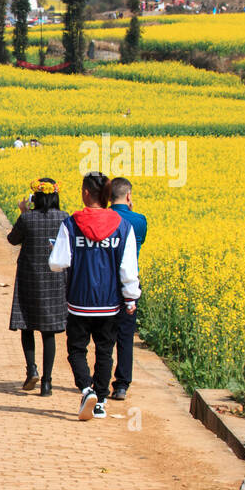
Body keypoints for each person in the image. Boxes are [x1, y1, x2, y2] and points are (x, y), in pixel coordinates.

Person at [48, 171, 141, 421]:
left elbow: (58, 263)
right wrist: (131, 298)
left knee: (76, 349)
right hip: (110, 303)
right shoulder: (123, 226)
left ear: (86, 193)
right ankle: (100, 400)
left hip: (79, 301)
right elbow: (128, 268)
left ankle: (86, 388)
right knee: (104, 350)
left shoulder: (71, 224)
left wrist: (55, 249)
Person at [7, 179, 68, 396]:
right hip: (54, 280)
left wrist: (23, 212)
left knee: (27, 325)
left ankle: (31, 368)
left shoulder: (28, 218)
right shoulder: (64, 219)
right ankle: (47, 383)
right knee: (49, 332)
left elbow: (12, 239)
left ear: (37, 197)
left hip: (29, 277)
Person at [107, 177, 148, 401]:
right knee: (125, 336)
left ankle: (99, 379)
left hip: (106, 284)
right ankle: (121, 385)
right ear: (129, 196)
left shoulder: (104, 219)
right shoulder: (139, 220)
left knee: (103, 334)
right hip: (130, 283)